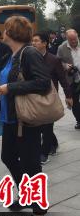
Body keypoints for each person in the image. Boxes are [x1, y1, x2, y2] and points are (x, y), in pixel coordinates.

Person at [0, 16, 51, 215]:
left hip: (25, 119)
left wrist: (10, 87)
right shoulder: (11, 54)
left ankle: (39, 208)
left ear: (12, 32)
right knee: (8, 157)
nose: (3, 32)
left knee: (30, 164)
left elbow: (43, 82)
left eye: (5, 29)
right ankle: (28, 195)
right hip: (10, 117)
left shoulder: (29, 53)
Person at [32, 32, 71, 164]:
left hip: (50, 97)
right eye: (32, 41)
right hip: (34, 97)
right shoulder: (30, 58)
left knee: (47, 125)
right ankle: (53, 143)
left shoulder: (53, 60)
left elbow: (62, 79)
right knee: (41, 125)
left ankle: (44, 153)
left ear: (45, 43)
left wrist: (68, 96)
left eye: (36, 41)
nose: (33, 43)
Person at [57, 29, 80, 129]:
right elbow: (58, 62)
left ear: (77, 36)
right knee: (74, 101)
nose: (74, 41)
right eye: (71, 40)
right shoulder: (61, 48)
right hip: (72, 79)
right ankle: (79, 120)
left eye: (75, 39)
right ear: (66, 38)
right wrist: (65, 66)